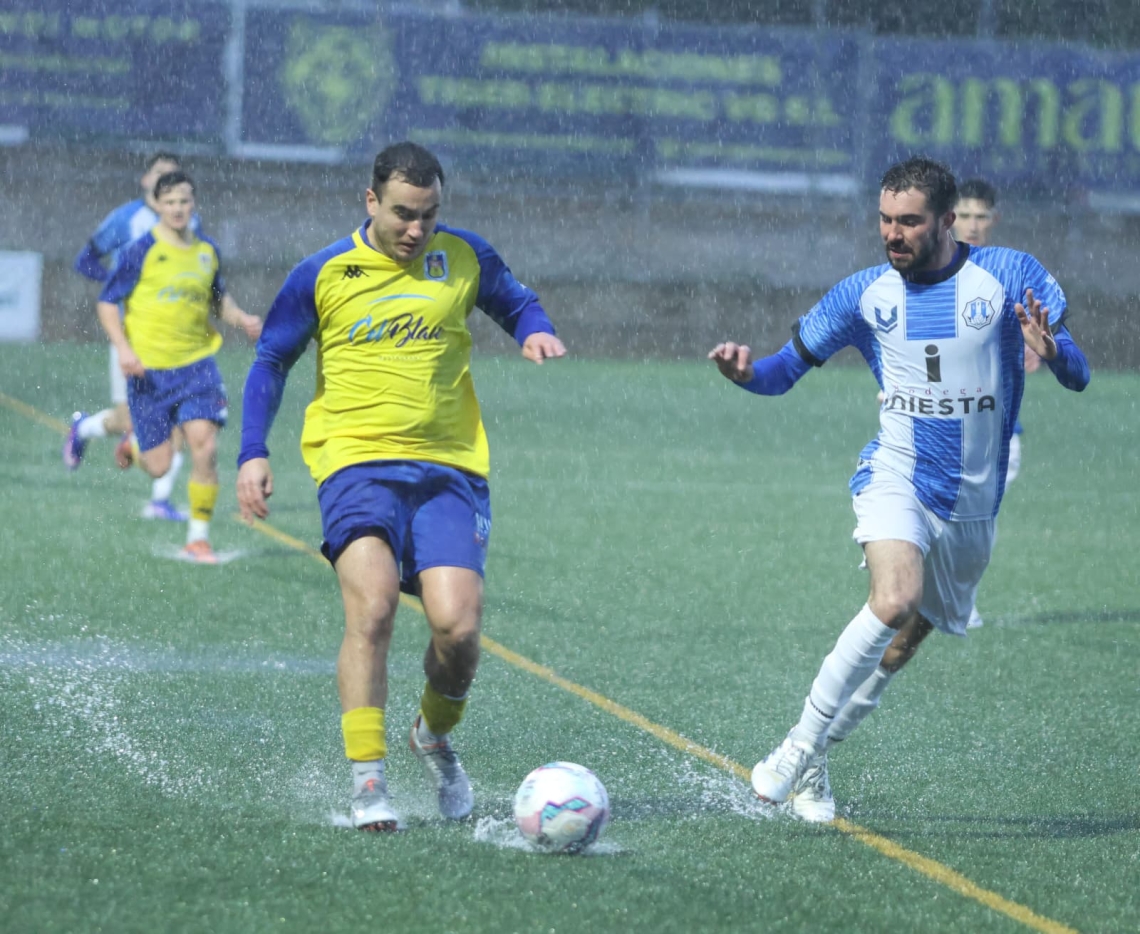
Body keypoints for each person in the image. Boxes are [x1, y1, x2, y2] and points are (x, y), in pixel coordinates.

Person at [709, 156, 1089, 823]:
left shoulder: (1007, 276)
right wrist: (745, 374)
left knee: (902, 644)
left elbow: (1081, 374)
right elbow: (781, 372)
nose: (893, 233)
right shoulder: (864, 294)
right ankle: (798, 746)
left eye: (909, 221)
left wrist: (1056, 354)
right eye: (885, 220)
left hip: (974, 504)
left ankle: (818, 757)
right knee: (894, 598)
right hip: (897, 472)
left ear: (947, 221)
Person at [235, 141, 566, 831]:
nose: (418, 230)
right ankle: (368, 784)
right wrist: (252, 451)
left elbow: (516, 302)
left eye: (430, 215)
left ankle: (433, 737)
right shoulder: (324, 272)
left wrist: (536, 331)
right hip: (354, 464)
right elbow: (271, 356)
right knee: (376, 608)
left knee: (460, 630)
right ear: (370, 202)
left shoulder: (464, 256)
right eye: (404, 215)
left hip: (450, 469)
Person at [96, 170, 262, 564]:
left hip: (197, 368)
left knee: (204, 444)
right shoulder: (141, 250)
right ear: (157, 205)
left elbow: (219, 301)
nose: (177, 208)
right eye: (169, 202)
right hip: (148, 373)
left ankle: (199, 537)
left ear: (194, 204)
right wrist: (123, 348)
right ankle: (136, 445)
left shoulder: (206, 250)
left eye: (184, 201)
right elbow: (106, 302)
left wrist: (242, 319)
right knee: (158, 466)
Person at [66, 152, 198, 520]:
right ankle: (85, 428)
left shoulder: (192, 223)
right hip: (131, 331)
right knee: (127, 419)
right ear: (146, 181)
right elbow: (86, 259)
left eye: (174, 177)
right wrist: (121, 289)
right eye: (160, 175)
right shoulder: (126, 220)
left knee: (181, 418)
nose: (167, 183)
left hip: (176, 338)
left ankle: (159, 501)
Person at [952, 178, 1035, 628]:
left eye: (981, 216)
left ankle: (960, 599)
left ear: (994, 220)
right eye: (964, 215)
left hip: (998, 428)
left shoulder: (1010, 274)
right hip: (939, 418)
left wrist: (1042, 345)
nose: (973, 224)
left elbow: (1045, 327)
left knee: (977, 518)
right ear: (950, 218)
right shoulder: (933, 271)